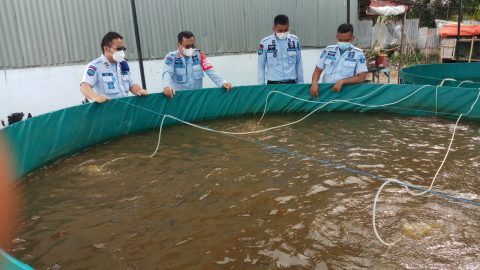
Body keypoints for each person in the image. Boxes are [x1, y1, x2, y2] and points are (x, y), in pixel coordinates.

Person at [80, 32, 148, 103]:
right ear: (107, 49)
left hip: (125, 109)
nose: (121, 52)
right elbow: (84, 86)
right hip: (107, 110)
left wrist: (140, 91)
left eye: (123, 49)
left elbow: (132, 85)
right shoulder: (95, 66)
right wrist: (96, 97)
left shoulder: (123, 64)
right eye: (118, 49)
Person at [162, 31, 233, 98]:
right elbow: (167, 73)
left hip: (197, 97)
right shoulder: (171, 57)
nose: (190, 48)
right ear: (179, 45)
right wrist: (167, 86)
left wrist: (222, 83)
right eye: (187, 46)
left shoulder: (198, 54)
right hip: (179, 97)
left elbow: (210, 70)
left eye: (192, 45)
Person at [310, 23, 367, 96]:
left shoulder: (358, 53)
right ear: (336, 37)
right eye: (340, 40)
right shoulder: (328, 50)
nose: (343, 42)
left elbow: (361, 77)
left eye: (346, 40)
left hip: (345, 93)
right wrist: (314, 82)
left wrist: (342, 81)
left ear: (353, 38)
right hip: (326, 92)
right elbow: (318, 70)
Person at [258, 14, 304, 85]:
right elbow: (261, 65)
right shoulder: (265, 43)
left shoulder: (294, 40)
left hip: (291, 83)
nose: (283, 33)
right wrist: (261, 85)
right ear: (274, 29)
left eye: (286, 30)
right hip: (273, 84)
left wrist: (301, 83)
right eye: (280, 30)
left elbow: (299, 63)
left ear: (288, 27)